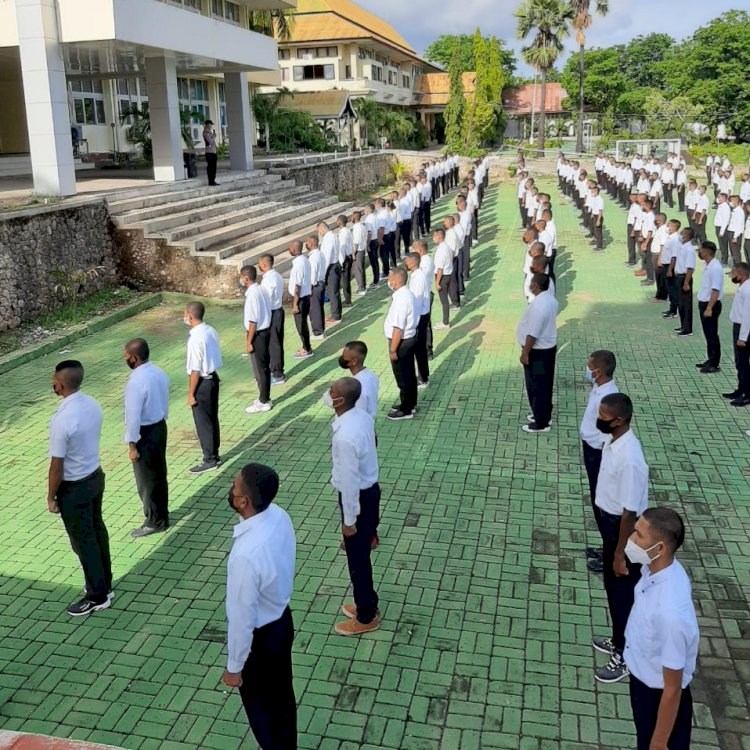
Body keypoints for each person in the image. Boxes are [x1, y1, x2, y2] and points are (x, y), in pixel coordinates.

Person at [223, 463, 297, 749]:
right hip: (282, 622)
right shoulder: (280, 516)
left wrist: (234, 667)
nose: (231, 490)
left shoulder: (245, 555)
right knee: (282, 701)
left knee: (263, 714)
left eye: (235, 487)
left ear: (243, 501)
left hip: (260, 641)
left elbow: (242, 619)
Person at [623, 508, 699, 750]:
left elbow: (673, 688)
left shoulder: (670, 614)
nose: (631, 540)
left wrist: (658, 742)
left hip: (657, 698)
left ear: (660, 549)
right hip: (642, 684)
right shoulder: (655, 569)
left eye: (638, 535)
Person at [48, 360, 113, 616]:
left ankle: (96, 596)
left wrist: (51, 496)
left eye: (53, 379)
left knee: (83, 542)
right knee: (97, 532)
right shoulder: (92, 404)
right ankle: (105, 584)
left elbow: (56, 466)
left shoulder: (61, 420)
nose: (52, 383)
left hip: (74, 488)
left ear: (60, 384)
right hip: (95, 477)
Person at [592, 393, 648, 684]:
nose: (599, 420)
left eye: (603, 418)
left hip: (622, 532)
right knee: (614, 592)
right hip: (612, 527)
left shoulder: (630, 459)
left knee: (624, 593)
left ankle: (626, 655)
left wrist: (618, 553)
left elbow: (629, 511)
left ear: (619, 420)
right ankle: (618, 639)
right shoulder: (614, 441)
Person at [325, 378, 381, 635]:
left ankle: (366, 616)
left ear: (340, 400)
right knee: (361, 558)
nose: (328, 393)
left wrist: (349, 521)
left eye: (332, 391)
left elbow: (349, 483)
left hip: (357, 498)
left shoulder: (346, 437)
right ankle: (367, 602)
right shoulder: (361, 416)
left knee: (357, 561)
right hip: (369, 493)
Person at [122, 338, 170, 538]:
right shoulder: (158, 372)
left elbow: (132, 417)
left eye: (126, 357)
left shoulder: (136, 382)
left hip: (144, 434)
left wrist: (132, 445)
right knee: (159, 474)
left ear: (134, 358)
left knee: (146, 481)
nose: (125, 359)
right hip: (159, 426)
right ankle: (162, 515)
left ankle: (153, 521)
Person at [579, 350, 619, 574]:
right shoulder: (599, 388)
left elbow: (608, 437)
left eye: (589, 366)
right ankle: (606, 547)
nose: (587, 370)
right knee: (597, 503)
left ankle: (611, 556)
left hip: (599, 454)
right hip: (591, 449)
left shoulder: (608, 399)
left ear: (598, 371)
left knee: (604, 506)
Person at [517, 273, 559, 434]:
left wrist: (525, 353)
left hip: (538, 351)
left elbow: (533, 333)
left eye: (531, 283)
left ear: (535, 286)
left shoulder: (539, 306)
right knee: (544, 385)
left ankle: (541, 423)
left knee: (536, 386)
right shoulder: (550, 300)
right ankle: (542, 414)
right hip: (547, 349)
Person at [184, 301, 222, 474]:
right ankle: (215, 454)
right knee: (212, 418)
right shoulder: (210, 330)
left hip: (203, 383)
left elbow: (195, 370)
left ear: (190, 316)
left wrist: (191, 393)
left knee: (203, 423)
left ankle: (209, 459)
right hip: (213, 378)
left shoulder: (194, 339)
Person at [384, 268, 418, 421]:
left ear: (396, 282)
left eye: (390, 278)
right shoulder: (405, 294)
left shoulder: (402, 299)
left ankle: (406, 409)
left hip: (401, 342)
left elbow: (398, 328)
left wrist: (392, 350)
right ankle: (408, 403)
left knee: (404, 376)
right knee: (408, 373)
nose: (388, 281)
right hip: (406, 340)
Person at [241, 265, 273, 414]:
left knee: (260, 370)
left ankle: (263, 401)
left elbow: (252, 321)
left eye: (241, 277)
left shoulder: (253, 294)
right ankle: (264, 396)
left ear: (246, 278)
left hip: (257, 334)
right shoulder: (260, 289)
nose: (240, 280)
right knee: (263, 367)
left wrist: (249, 342)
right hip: (265, 331)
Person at [695, 242, 724, 373]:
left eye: (701, 250)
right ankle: (710, 358)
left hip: (710, 304)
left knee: (712, 334)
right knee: (708, 333)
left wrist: (709, 308)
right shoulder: (709, 265)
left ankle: (714, 363)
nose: (699, 252)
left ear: (706, 251)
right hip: (705, 303)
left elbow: (715, 290)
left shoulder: (715, 268)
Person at [259, 254, 286, 385]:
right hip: (277, 311)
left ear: (264, 264)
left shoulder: (269, 280)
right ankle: (275, 369)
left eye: (260, 264)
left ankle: (277, 373)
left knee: (274, 344)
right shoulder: (277, 276)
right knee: (276, 342)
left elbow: (267, 299)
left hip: (272, 312)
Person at [404, 252, 430, 390]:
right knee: (419, 349)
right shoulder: (416, 276)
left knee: (419, 349)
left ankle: (423, 378)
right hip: (419, 316)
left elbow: (417, 301)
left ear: (413, 262)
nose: (405, 263)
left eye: (407, 261)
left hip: (419, 317)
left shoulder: (419, 278)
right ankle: (423, 375)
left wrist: (412, 319)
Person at [726, 263, 750, 406]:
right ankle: (741, 389)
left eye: (733, 273)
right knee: (740, 362)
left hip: (744, 329)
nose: (731, 276)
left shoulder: (747, 290)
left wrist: (742, 337)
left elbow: (747, 316)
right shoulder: (744, 287)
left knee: (743, 363)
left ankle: (747, 394)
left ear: (740, 275)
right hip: (740, 327)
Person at [338, 341, 379, 418]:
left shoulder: (356, 386)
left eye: (344, 357)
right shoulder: (372, 376)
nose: (342, 359)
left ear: (354, 361)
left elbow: (358, 413)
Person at [288, 240, 313, 360]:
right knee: (303, 324)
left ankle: (306, 348)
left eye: (290, 248)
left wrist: (295, 304)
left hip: (300, 299)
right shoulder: (305, 260)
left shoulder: (298, 265)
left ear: (293, 249)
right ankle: (306, 346)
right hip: (306, 296)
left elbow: (297, 287)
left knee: (301, 325)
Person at [671, 228, 696, 337]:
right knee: (681, 303)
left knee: (686, 304)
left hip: (685, 278)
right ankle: (683, 326)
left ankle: (687, 329)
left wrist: (686, 282)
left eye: (683, 234)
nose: (681, 235)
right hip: (679, 277)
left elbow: (690, 268)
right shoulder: (683, 247)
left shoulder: (689, 250)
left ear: (687, 236)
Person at [414, 240, 435, 359]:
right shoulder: (424, 261)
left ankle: (428, 350)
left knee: (425, 324)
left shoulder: (425, 263)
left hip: (425, 296)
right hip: (422, 295)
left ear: (420, 250)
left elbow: (422, 281)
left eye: (414, 249)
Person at [319, 222, 342, 325]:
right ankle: (335, 313)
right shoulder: (332, 236)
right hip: (334, 265)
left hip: (331, 266)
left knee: (333, 292)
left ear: (322, 229)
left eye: (319, 231)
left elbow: (327, 257)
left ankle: (336, 316)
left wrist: (323, 274)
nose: (319, 234)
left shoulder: (329, 239)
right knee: (333, 292)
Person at [432, 228, 453, 331]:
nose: (433, 238)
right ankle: (445, 320)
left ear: (439, 236)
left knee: (444, 301)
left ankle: (445, 322)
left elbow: (440, 268)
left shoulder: (441, 250)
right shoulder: (446, 246)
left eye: (434, 236)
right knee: (445, 300)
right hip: (448, 274)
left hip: (442, 277)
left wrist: (437, 283)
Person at [306, 234, 326, 340]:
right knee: (319, 308)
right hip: (321, 283)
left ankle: (317, 332)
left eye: (308, 242)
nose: (306, 244)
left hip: (315, 285)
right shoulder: (320, 254)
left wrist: (309, 287)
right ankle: (321, 329)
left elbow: (312, 274)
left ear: (312, 243)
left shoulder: (313, 257)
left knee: (314, 309)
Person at [337, 214, 354, 307]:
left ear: (339, 222)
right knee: (346, 280)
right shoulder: (348, 231)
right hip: (349, 256)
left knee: (344, 281)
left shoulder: (343, 233)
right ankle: (348, 298)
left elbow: (342, 249)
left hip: (345, 259)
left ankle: (347, 300)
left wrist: (341, 262)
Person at [351, 211, 368, 296]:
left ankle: (361, 288)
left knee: (358, 270)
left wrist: (354, 253)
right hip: (362, 249)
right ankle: (363, 286)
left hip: (358, 251)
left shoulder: (356, 227)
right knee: (361, 269)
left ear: (354, 217)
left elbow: (356, 241)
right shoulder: (362, 226)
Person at [203, 120, 218, 186]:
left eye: (211, 124)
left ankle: (213, 180)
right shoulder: (206, 132)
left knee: (214, 168)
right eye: (210, 124)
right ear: (206, 125)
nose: (211, 126)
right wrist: (214, 136)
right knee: (211, 168)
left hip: (213, 152)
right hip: (209, 152)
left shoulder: (209, 132)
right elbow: (210, 141)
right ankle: (211, 181)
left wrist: (213, 135)